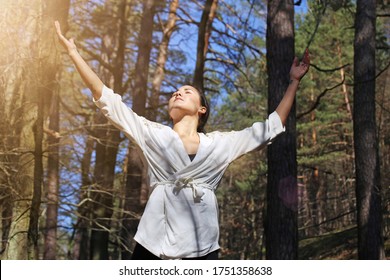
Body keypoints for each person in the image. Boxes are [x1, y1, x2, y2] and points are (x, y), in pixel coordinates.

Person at [55, 21, 310, 260]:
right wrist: (74, 54)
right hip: (154, 241)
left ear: (202, 110)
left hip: (202, 245)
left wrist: (293, 82)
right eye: (176, 91)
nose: (178, 92)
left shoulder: (220, 144)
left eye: (187, 91)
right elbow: (107, 100)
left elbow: (271, 127)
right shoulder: (154, 133)